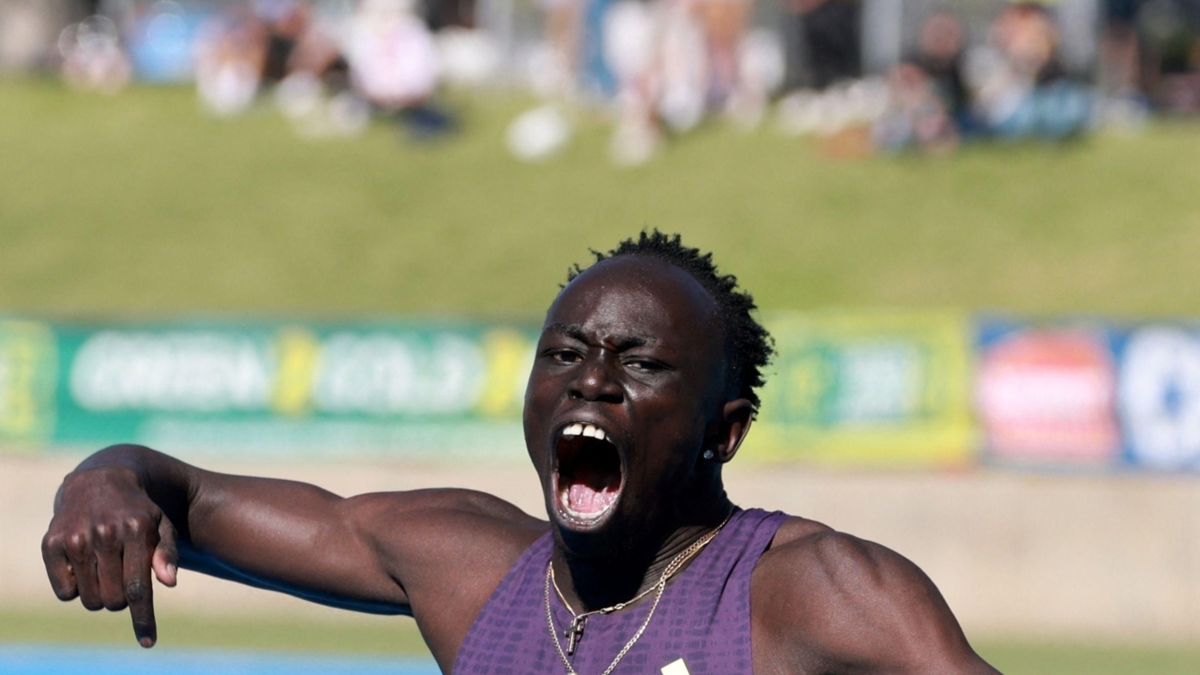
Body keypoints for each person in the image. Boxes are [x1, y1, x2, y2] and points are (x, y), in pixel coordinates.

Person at [42, 231, 1000, 675]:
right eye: (565, 354)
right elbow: (191, 496)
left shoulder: (818, 588)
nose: (591, 381)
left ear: (725, 429)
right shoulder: (468, 568)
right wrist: (103, 476)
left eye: (641, 362)